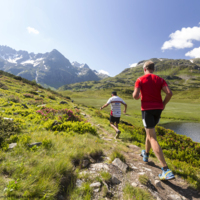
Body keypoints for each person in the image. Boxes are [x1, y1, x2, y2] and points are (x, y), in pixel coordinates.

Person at [132, 60, 175, 180]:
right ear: (153, 69)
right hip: (158, 110)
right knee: (149, 132)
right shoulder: (160, 79)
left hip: (147, 110)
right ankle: (146, 155)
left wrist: (138, 95)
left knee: (152, 137)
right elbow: (169, 93)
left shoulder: (140, 79)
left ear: (144, 69)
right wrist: (163, 104)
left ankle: (166, 170)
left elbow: (135, 96)